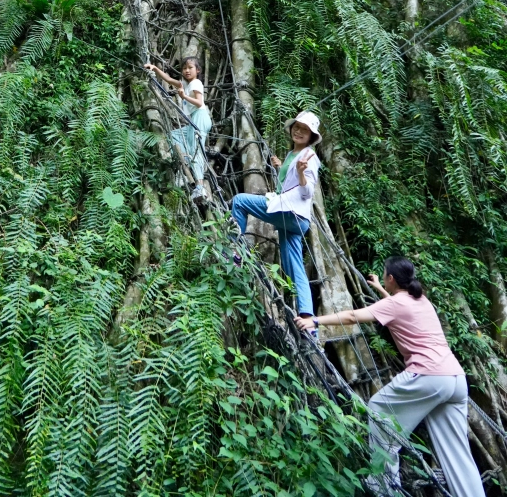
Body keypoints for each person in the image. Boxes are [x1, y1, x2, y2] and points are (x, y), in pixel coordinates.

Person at [295, 257, 485, 497]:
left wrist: (314, 320)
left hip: (428, 374)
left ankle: (384, 486)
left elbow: (353, 316)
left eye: (384, 274)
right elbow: (398, 307)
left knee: (378, 409)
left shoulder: (395, 304)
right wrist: (380, 289)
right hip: (455, 379)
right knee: (457, 452)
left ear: (391, 278)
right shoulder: (421, 299)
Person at [231, 110, 322, 317]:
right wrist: (282, 167)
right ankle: (308, 318)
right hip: (296, 219)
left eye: (305, 130)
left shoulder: (309, 157)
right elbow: (287, 184)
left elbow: (307, 192)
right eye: (297, 127)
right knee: (295, 268)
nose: (298, 131)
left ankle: (235, 254)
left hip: (289, 212)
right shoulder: (293, 155)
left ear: (311, 136)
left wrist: (301, 173)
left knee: (240, 201)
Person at [144, 57, 212, 200]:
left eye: (190, 68)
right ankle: (185, 165)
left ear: (197, 70)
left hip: (199, 117)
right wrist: (155, 68)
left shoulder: (196, 83)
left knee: (195, 151)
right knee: (174, 136)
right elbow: (169, 80)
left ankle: (200, 188)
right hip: (194, 119)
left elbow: (199, 103)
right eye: (184, 68)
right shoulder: (185, 84)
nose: (187, 70)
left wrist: (184, 96)